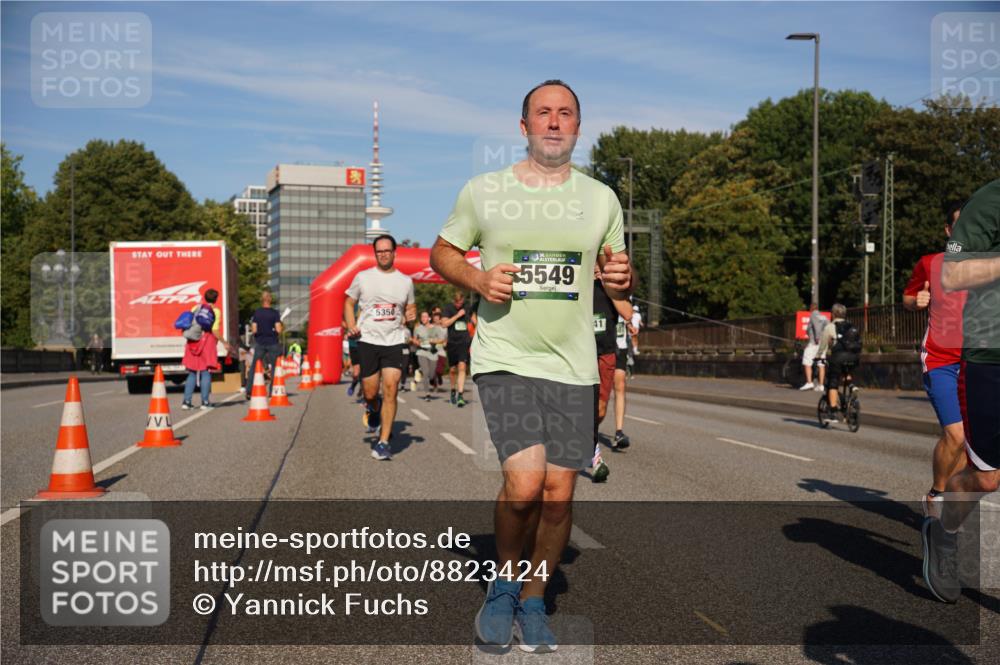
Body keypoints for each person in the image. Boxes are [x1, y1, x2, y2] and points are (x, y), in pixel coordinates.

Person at [430, 79, 632, 653]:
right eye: (542, 113)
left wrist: (622, 279)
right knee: (523, 487)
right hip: (506, 357)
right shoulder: (485, 191)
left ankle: (536, 598)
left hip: (573, 365)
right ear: (523, 128)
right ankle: (502, 583)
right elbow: (442, 251)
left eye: (564, 113)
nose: (553, 121)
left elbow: (619, 270)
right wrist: (476, 277)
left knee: (560, 492)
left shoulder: (601, 199)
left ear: (577, 126)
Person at [923, 179, 1000, 604]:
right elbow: (954, 274)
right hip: (990, 355)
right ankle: (945, 532)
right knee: (987, 479)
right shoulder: (991, 200)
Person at [902, 203, 968, 518]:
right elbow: (907, 298)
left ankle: (953, 496)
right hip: (940, 360)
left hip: (976, 365)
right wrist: (917, 301)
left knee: (971, 446)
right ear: (948, 231)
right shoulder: (929, 264)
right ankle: (936, 494)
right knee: (956, 434)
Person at [344, 234, 416, 461]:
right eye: (379, 251)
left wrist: (411, 316)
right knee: (371, 392)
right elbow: (348, 302)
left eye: (387, 250)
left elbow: (410, 309)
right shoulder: (363, 277)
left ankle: (383, 442)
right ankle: (373, 408)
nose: (383, 254)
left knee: (391, 387)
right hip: (368, 341)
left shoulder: (406, 281)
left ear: (395, 252)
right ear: (375, 254)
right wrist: (352, 325)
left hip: (393, 341)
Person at [592, 265, 635, 483]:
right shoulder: (577, 286)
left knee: (599, 409)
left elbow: (627, 313)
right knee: (579, 403)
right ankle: (593, 453)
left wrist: (610, 288)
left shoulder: (608, 288)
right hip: (579, 353)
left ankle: (588, 438)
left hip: (605, 354)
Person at [182, 288, 230, 410]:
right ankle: (205, 402)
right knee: (206, 372)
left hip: (192, 342)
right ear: (216, 299)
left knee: (192, 372)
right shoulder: (215, 311)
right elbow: (214, 330)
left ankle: (186, 402)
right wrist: (224, 342)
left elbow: (188, 324)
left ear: (204, 297)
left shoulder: (195, 308)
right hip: (207, 342)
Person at [817, 303, 860, 419]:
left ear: (833, 314)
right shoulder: (852, 326)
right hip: (854, 357)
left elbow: (823, 345)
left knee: (833, 382)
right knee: (846, 373)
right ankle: (851, 386)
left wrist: (818, 356)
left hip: (838, 358)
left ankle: (833, 411)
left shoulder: (830, 327)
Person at [441, 289, 476, 407]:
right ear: (454, 301)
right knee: (452, 370)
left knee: (462, 367)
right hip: (452, 342)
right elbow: (444, 324)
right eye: (457, 303)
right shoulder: (448, 308)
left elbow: (474, 319)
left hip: (464, 341)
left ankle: (460, 395)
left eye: (461, 303)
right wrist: (457, 315)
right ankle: (452, 389)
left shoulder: (467, 307)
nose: (459, 305)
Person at [249, 291, 283, 397]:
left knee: (255, 366)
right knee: (274, 367)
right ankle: (272, 390)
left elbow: (254, 329)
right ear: (270, 300)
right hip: (272, 342)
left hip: (260, 342)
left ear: (262, 300)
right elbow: (278, 329)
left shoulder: (257, 312)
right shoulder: (275, 313)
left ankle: (249, 391)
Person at [412, 311, 447, 401]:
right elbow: (414, 340)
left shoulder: (436, 328)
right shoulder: (418, 328)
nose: (423, 318)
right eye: (422, 317)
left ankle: (419, 371)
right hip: (422, 352)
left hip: (433, 353)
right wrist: (417, 343)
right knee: (426, 372)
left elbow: (442, 340)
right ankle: (427, 394)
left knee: (431, 375)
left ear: (429, 318)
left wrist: (434, 341)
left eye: (425, 317)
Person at [801, 303, 829, 391]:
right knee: (821, 363)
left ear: (811, 308)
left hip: (814, 343)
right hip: (823, 342)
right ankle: (821, 385)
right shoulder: (823, 317)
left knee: (807, 360)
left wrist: (817, 338)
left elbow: (816, 327)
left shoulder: (813, 315)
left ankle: (809, 383)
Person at [431, 308, 447, 392]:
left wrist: (445, 342)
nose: (436, 320)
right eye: (435, 319)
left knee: (439, 370)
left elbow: (447, 338)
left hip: (442, 351)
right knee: (433, 369)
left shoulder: (444, 329)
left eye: (438, 319)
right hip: (433, 351)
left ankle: (440, 376)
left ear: (440, 319)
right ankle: (435, 385)